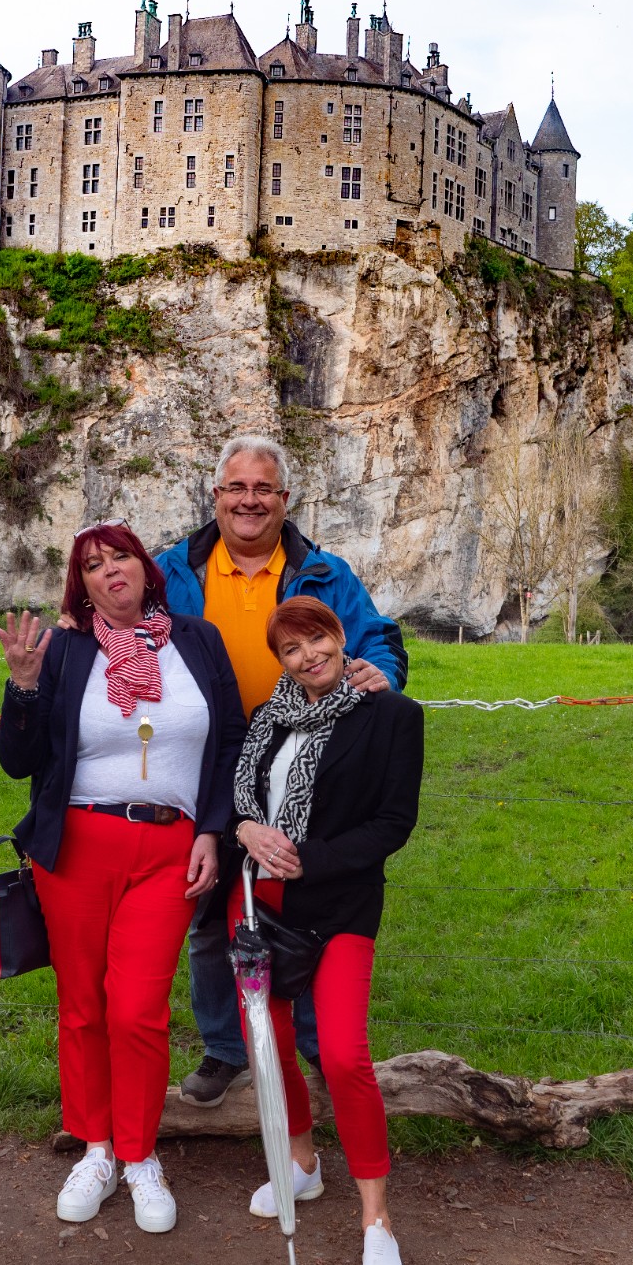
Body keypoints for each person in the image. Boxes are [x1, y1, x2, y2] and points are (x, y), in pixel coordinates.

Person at [0, 522, 245, 1235]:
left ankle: (140, 1155)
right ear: (82, 586)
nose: (110, 570)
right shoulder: (66, 649)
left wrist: (212, 830)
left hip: (169, 850)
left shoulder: (198, 641)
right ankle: (96, 1150)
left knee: (137, 1009)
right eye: (93, 564)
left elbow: (230, 739)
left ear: (144, 567)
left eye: (120, 557)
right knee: (83, 1008)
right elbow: (17, 761)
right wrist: (23, 686)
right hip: (76, 846)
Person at [154, 434, 408, 1106]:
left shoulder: (324, 573)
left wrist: (381, 671)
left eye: (262, 488)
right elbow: (122, 627)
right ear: (216, 495)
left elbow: (376, 635)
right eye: (236, 487)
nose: (249, 500)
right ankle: (226, 1048)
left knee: (305, 898)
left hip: (303, 753)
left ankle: (316, 1047)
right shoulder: (171, 571)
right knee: (213, 910)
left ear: (284, 499)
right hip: (206, 758)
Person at [220, 596, 420, 1265]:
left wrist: (310, 860)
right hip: (258, 904)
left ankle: (377, 1222)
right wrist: (244, 831)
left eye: (317, 639)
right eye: (291, 649)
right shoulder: (265, 719)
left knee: (340, 1052)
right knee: (269, 1044)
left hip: (339, 906)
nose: (308, 656)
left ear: (339, 636)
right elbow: (241, 800)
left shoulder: (391, 715)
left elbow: (393, 824)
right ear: (280, 661)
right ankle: (302, 1162)